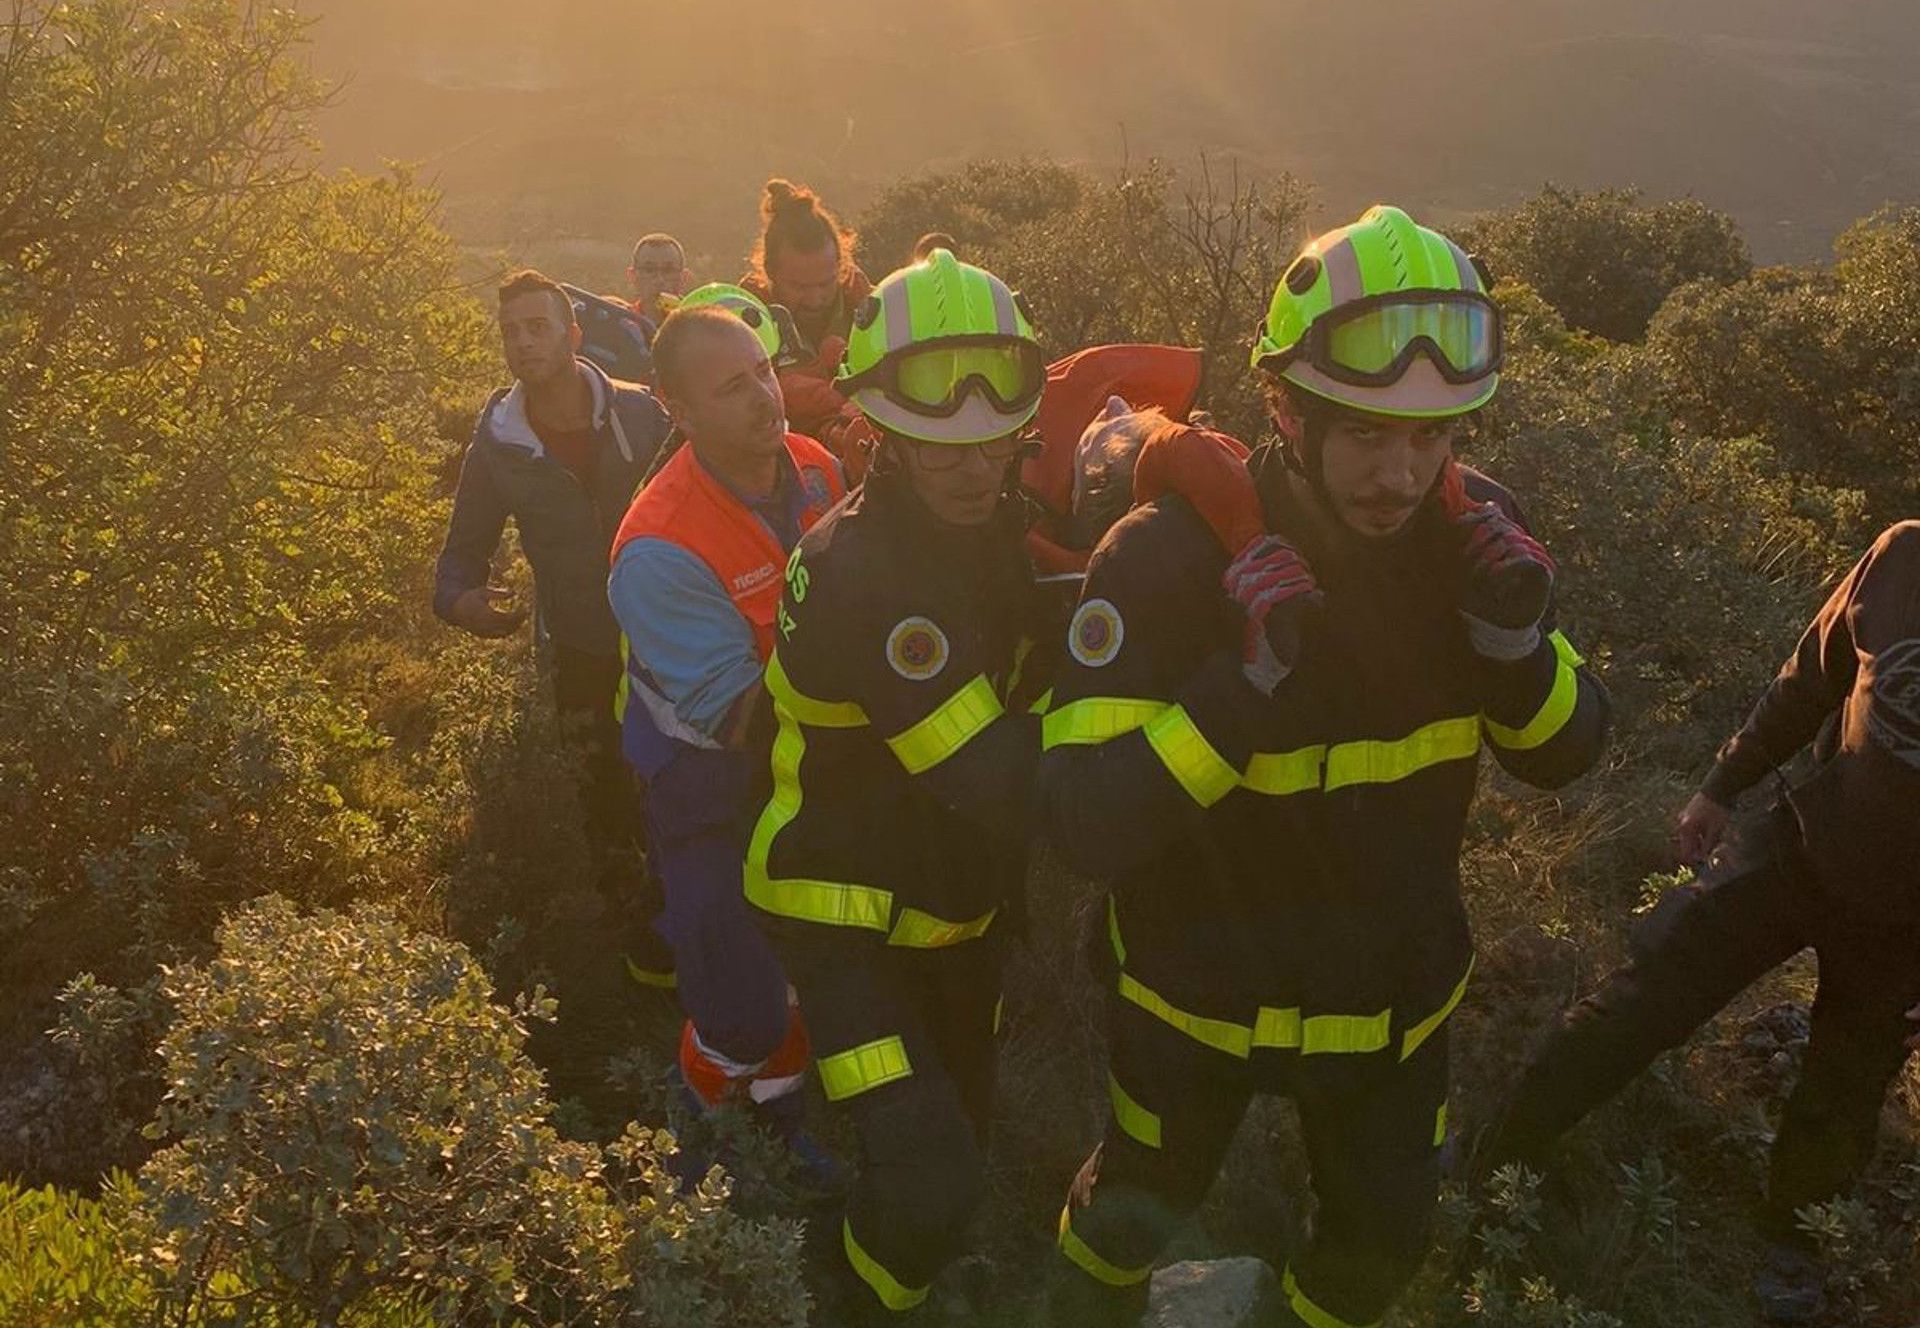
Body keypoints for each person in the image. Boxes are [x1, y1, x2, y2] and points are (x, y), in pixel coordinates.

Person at [1038, 205, 1612, 1328]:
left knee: (1383, 1242)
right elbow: (1081, 824)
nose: (1401, 474)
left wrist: (1513, 647)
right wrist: (1240, 690)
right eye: (1367, 435)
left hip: (1387, 1010)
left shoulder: (1483, 539)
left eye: (1433, 436)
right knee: (1127, 1216)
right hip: (1190, 1003)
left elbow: (1569, 752)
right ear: (1284, 407)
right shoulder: (1161, 558)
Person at [1488, 521, 1920, 1323]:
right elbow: (1808, 683)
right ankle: (1497, 1153)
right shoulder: (1904, 557)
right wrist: (1722, 785)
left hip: (1907, 928)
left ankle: (1794, 1245)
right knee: (1648, 991)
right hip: (1800, 846)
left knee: (1844, 1089)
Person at [742, 250, 1054, 1319]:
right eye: (940, 443)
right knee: (933, 1175)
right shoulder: (866, 574)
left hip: (954, 915)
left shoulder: (984, 532)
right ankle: (854, 1298)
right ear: (882, 429)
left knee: (950, 1147)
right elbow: (993, 777)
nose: (975, 465)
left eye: (992, 439)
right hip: (845, 922)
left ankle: (894, 1268)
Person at [607, 305, 845, 1165]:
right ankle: (697, 1127)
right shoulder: (657, 547)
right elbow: (740, 714)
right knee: (737, 996)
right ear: (677, 409)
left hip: (809, 766)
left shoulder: (814, 470)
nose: (763, 398)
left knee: (804, 964)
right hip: (709, 787)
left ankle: (781, 1114)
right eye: (731, 386)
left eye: (763, 371)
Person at [434, 269, 670, 912]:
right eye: (511, 332)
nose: (523, 343)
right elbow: (459, 558)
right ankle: (636, 936)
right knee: (604, 802)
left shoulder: (641, 413)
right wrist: (463, 603)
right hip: (579, 647)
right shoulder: (500, 443)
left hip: (671, 639)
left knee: (684, 786)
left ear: (571, 334)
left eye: (538, 327)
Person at [741, 178, 876, 476]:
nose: (815, 299)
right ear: (769, 272)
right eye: (799, 287)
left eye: (826, 283)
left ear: (841, 265)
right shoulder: (740, 323)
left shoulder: (875, 311)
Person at [628, 232, 694, 327]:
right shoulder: (622, 326)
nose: (659, 279)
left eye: (668, 270)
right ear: (632, 276)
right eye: (649, 270)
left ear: (684, 278)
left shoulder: (698, 327)